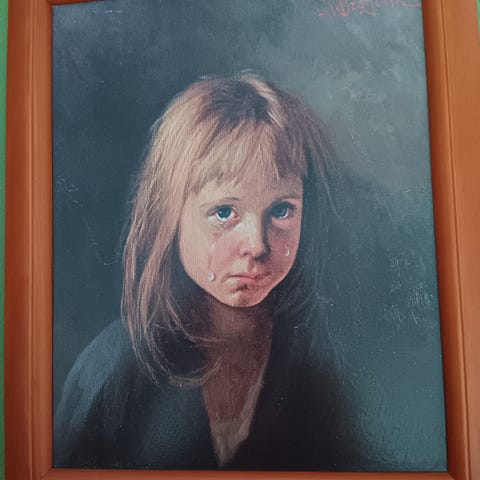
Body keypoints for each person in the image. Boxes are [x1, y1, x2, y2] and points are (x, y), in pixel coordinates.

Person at [54, 74, 359, 470]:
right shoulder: (115, 369)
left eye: (282, 210)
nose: (257, 245)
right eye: (224, 212)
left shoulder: (313, 361)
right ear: (170, 217)